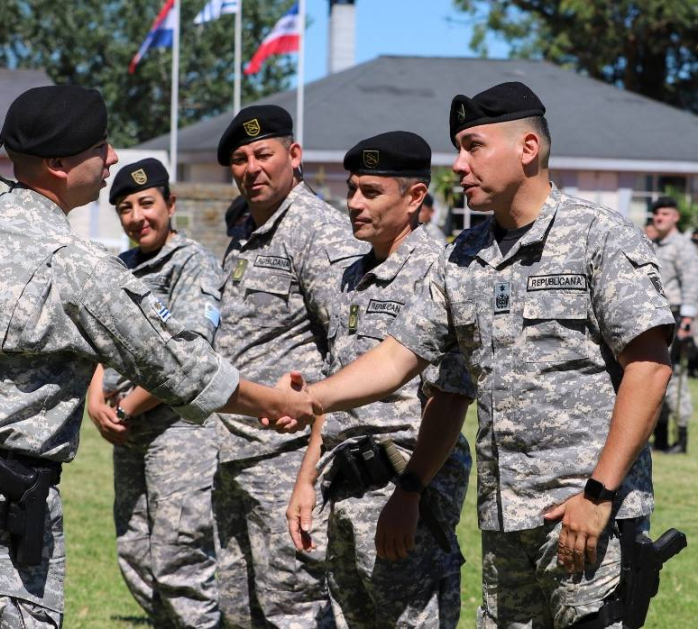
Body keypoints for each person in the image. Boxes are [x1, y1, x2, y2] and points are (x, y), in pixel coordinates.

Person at [0, 85, 319, 628]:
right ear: (57, 165)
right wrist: (277, 400)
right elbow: (180, 367)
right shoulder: (74, 263)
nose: (113, 158)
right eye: (100, 147)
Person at [265, 82, 674, 628]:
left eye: (473, 146)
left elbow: (649, 367)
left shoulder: (596, 237)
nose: (456, 165)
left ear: (527, 149)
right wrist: (310, 397)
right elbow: (395, 357)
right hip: (506, 525)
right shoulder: (463, 258)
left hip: (585, 519)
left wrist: (599, 495)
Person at [284, 131, 475, 628]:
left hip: (401, 489)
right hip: (343, 487)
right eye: (351, 190)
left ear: (414, 198)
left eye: (371, 192)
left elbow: (448, 399)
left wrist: (409, 494)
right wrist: (307, 479)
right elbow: (333, 389)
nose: (353, 204)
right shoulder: (350, 276)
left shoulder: (440, 274)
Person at [212, 104, 367, 627]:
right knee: (238, 609)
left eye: (263, 153)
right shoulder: (243, 235)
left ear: (293, 156)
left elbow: (352, 346)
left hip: (286, 457)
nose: (252, 167)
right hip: (232, 454)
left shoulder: (317, 230)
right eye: (240, 158)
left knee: (293, 609)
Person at [86, 157, 224, 627]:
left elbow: (187, 358)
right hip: (128, 433)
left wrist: (122, 406)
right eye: (125, 208)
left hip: (178, 431)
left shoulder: (191, 264)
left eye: (147, 203)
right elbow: (98, 343)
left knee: (178, 557)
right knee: (135, 553)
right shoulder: (119, 268)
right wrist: (94, 400)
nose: (137, 217)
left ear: (170, 203)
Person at [649, 196, 698, 454]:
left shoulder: (682, 246)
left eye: (665, 214)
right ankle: (660, 437)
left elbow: (692, 283)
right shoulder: (654, 244)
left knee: (676, 380)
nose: (659, 218)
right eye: (657, 214)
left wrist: (687, 321)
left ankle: (680, 438)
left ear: (675, 217)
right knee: (657, 377)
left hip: (678, 316)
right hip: (657, 317)